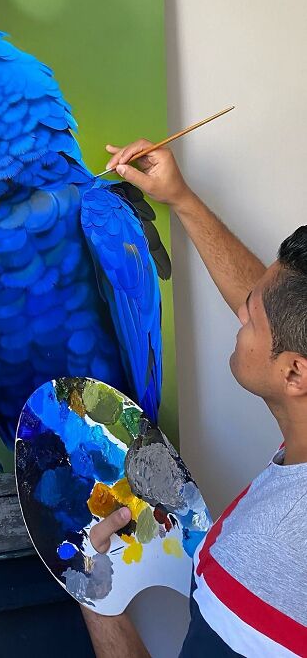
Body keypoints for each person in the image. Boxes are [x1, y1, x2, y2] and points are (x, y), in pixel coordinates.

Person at [78, 138, 307, 657]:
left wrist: (94, 588)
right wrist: (182, 199)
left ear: (295, 373)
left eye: (250, 316)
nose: (239, 316)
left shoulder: (263, 563)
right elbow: (284, 317)